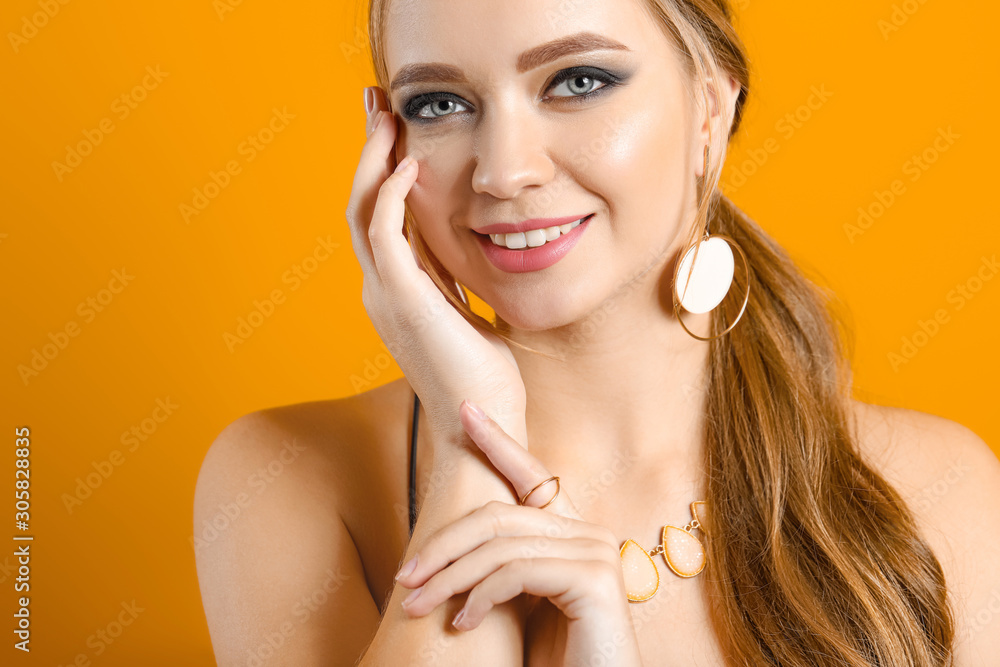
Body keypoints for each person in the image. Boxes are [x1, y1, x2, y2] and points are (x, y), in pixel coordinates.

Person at [193, 0, 1000, 665]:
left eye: (578, 80)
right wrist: (474, 435)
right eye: (439, 103)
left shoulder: (943, 493)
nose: (504, 170)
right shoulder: (287, 479)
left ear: (711, 108)